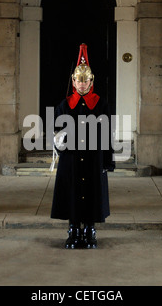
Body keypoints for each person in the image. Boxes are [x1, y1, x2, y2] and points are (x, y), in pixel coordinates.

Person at [51, 44, 115, 249]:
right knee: (72, 192)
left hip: (93, 157)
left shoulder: (101, 104)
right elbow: (57, 132)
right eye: (78, 80)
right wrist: (59, 141)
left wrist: (107, 161)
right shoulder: (64, 104)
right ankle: (73, 229)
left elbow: (107, 134)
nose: (81, 84)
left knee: (91, 192)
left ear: (91, 81)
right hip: (71, 159)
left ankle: (89, 229)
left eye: (85, 80)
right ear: (73, 81)